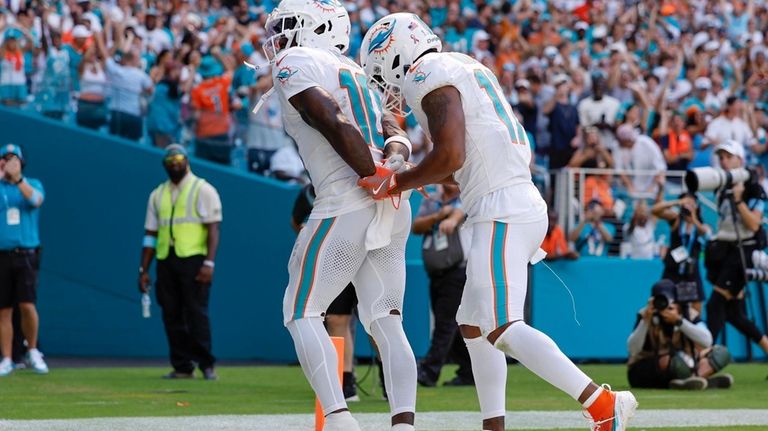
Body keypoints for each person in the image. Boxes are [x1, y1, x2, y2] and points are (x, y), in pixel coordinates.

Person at [360, 13, 636, 431]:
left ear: (397, 53)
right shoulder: (463, 64)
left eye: (382, 71)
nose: (388, 84)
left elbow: (450, 155)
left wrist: (398, 182)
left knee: (504, 325)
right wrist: (420, 176)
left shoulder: (427, 72)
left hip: (501, 207)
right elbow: (464, 159)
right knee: (474, 325)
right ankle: (494, 424)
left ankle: (602, 403)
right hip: (512, 198)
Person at [264, 2, 417, 430]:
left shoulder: (295, 60)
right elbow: (398, 132)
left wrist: (371, 174)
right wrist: (390, 166)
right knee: (387, 321)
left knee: (300, 310)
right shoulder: (357, 72)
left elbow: (327, 118)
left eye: (287, 25)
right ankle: (403, 424)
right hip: (391, 203)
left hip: (347, 197)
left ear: (319, 27)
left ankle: (338, 419)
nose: (279, 36)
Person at [138, 144, 222, 380]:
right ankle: (182, 366)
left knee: (197, 313)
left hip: (194, 259)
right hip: (166, 259)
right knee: (171, 314)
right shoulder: (157, 194)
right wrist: (144, 269)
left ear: (187, 160)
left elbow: (213, 229)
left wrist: (209, 263)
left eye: (178, 158)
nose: (174, 163)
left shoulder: (202, 189)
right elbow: (150, 234)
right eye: (170, 160)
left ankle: (206, 364)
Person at [290, 183, 360, 402]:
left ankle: (389, 380)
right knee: (337, 320)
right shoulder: (309, 192)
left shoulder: (352, 185)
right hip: (330, 261)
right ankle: (344, 381)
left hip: (361, 252)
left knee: (378, 321)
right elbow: (296, 221)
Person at [703, 140, 768, 363]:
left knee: (715, 305)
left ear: (739, 160)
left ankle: (704, 360)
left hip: (743, 252)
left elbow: (754, 225)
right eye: (721, 157)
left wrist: (739, 199)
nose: (723, 161)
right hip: (725, 252)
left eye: (728, 157)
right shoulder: (721, 186)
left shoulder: (753, 188)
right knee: (733, 313)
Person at [412, 184, 473, 387]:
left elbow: (459, 212)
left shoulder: (466, 196)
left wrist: (451, 218)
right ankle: (469, 372)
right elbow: (416, 226)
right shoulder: (432, 200)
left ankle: (429, 371)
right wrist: (438, 216)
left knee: (445, 323)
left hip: (458, 270)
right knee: (451, 323)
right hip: (437, 271)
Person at [627, 280, 733, 390]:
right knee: (670, 361)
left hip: (684, 361)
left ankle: (691, 380)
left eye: (670, 303)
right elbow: (633, 350)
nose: (665, 307)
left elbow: (707, 341)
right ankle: (696, 379)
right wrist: (645, 321)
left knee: (721, 353)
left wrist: (679, 321)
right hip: (648, 368)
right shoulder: (646, 314)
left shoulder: (687, 313)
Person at [0, 144, 47, 376]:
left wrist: (18, 180)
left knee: (27, 305)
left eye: (14, 159)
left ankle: (33, 350)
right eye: (5, 159)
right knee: (4, 309)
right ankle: (7, 358)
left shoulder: (32, 184)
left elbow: (36, 201)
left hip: (27, 254)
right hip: (2, 255)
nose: (9, 163)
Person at [652, 193, 711, 312]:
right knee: (667, 307)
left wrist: (693, 218)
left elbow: (706, 234)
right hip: (673, 270)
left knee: (696, 310)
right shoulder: (676, 220)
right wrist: (677, 202)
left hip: (691, 273)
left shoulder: (701, 225)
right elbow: (655, 210)